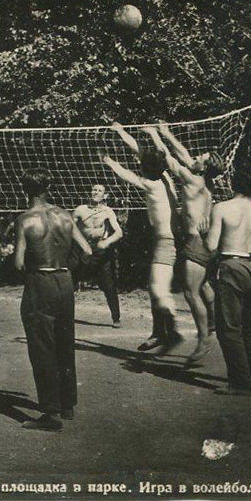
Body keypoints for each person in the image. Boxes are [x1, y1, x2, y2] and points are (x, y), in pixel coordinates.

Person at [14, 168, 91, 432]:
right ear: (48, 188)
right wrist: (68, 270)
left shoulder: (25, 219)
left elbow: (18, 262)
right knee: (64, 341)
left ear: (25, 189)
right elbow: (87, 250)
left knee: (42, 346)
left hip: (40, 281)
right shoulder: (65, 215)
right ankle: (67, 404)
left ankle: (50, 412)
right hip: (64, 280)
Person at [105, 122, 183, 352]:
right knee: (155, 287)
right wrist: (123, 131)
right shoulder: (165, 177)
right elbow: (142, 152)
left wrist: (109, 161)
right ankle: (160, 333)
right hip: (167, 240)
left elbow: (127, 175)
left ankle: (171, 332)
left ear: (146, 168)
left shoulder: (151, 184)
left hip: (166, 242)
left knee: (158, 289)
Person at [151, 122, 220, 366]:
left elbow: (169, 158)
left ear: (204, 167)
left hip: (196, 243)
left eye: (201, 157)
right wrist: (166, 132)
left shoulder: (193, 180)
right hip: (203, 242)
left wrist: (154, 134)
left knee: (191, 292)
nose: (196, 157)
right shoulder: (204, 180)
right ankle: (213, 322)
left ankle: (204, 339)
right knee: (204, 286)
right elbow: (183, 154)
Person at [205, 176, 251, 395]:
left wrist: (204, 231)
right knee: (249, 326)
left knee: (229, 328)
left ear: (234, 185)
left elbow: (211, 245)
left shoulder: (222, 207)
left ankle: (241, 383)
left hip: (232, 264)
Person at [72, 184, 124, 327]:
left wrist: (106, 242)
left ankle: (116, 318)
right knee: (70, 282)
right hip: (83, 247)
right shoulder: (80, 210)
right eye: (94, 190)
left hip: (100, 249)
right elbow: (70, 229)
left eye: (100, 190)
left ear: (104, 195)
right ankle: (63, 315)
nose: (96, 192)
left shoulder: (107, 211)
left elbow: (119, 232)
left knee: (108, 285)